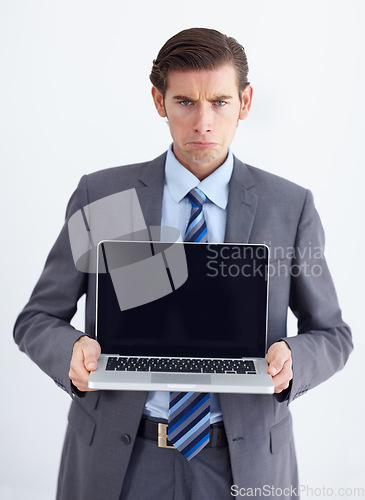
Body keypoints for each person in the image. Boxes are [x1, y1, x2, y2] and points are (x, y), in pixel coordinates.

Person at [14, 28, 352, 500]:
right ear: (159, 101)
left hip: (242, 461)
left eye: (219, 101)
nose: (203, 123)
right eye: (185, 102)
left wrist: (296, 360)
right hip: (121, 460)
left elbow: (333, 334)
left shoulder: (288, 207)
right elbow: (37, 319)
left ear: (245, 102)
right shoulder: (108, 197)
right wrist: (69, 350)